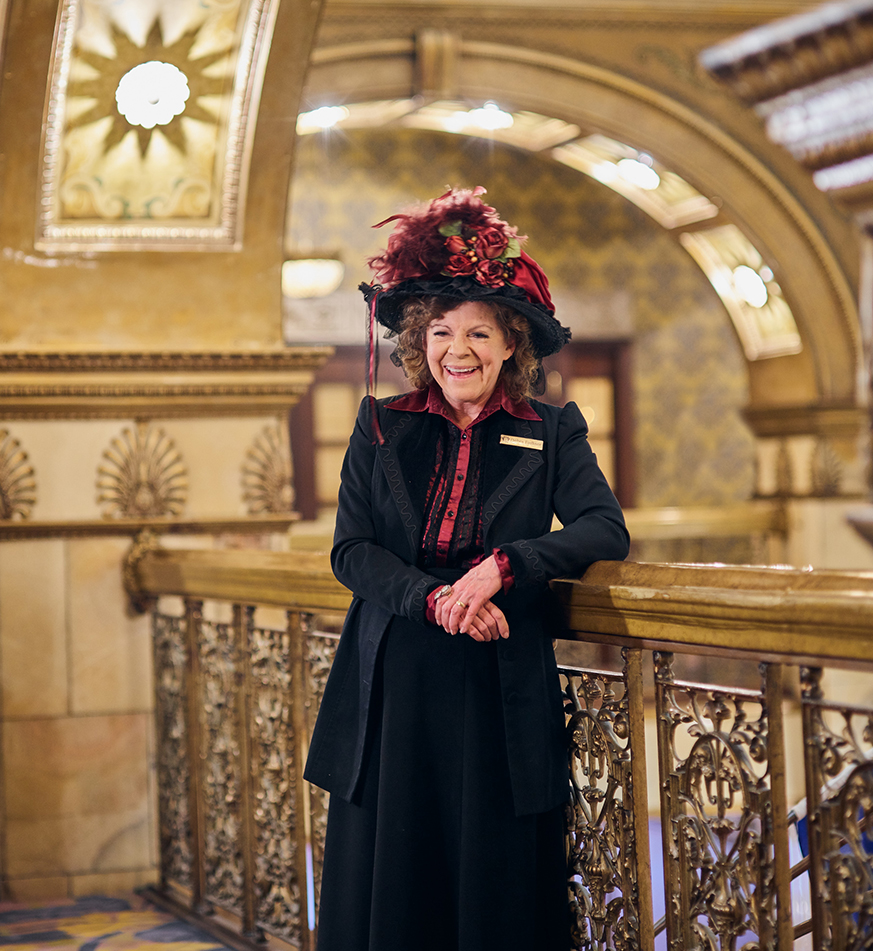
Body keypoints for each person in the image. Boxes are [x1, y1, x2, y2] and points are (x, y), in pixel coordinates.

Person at [303, 187, 630, 951]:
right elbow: (350, 550)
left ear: (511, 343)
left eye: (480, 332)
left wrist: (507, 566)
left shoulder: (551, 429)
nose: (460, 349)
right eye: (441, 331)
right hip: (393, 683)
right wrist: (437, 597)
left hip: (498, 681)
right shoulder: (379, 422)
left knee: (494, 884)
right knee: (396, 877)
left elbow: (602, 528)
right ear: (420, 344)